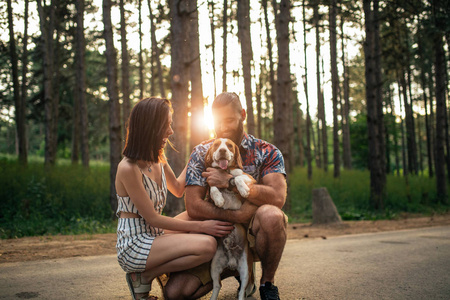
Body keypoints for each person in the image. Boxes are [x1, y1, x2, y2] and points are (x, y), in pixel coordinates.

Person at [165, 92, 288, 300]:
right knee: (174, 294)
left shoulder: (267, 151)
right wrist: (237, 216)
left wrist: (229, 182)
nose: (223, 127)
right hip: (216, 232)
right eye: (217, 122)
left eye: (229, 120)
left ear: (243, 115)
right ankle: (233, 268)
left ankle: (267, 283)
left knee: (272, 216)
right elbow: (193, 206)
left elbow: (277, 197)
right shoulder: (202, 152)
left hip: (253, 230)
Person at [115, 97, 234, 300]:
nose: (170, 131)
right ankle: (144, 275)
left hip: (153, 233)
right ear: (149, 127)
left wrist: (199, 152)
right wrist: (202, 228)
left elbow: (178, 189)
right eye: (166, 125)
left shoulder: (158, 159)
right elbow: (153, 218)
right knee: (207, 246)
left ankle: (147, 275)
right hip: (134, 243)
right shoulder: (128, 168)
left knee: (196, 215)